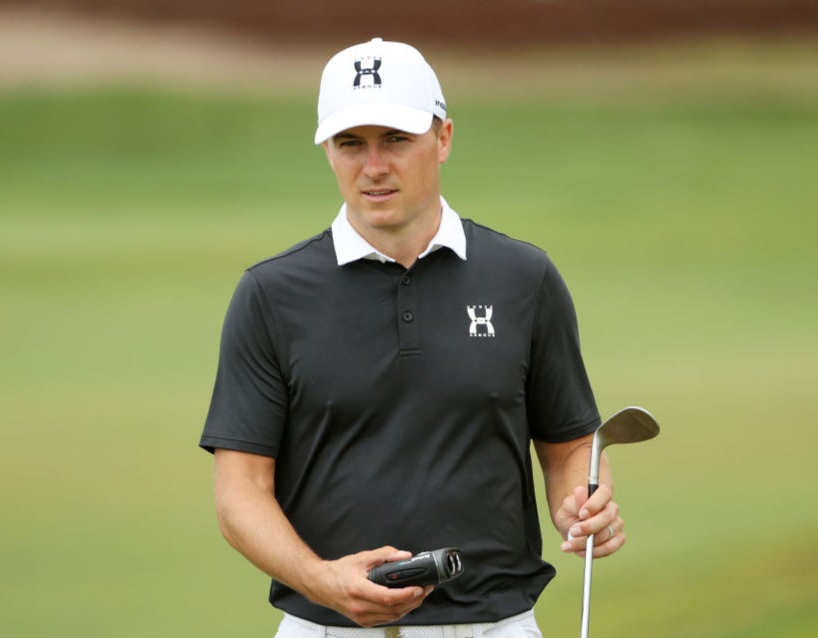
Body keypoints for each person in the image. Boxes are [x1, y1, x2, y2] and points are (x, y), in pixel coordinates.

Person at [200, 37, 624, 638]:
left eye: (396, 139)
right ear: (327, 149)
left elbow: (568, 446)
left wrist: (581, 502)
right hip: (328, 629)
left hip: (496, 626)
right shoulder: (271, 295)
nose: (374, 166)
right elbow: (239, 494)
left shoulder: (523, 279)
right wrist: (322, 580)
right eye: (351, 143)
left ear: (444, 138)